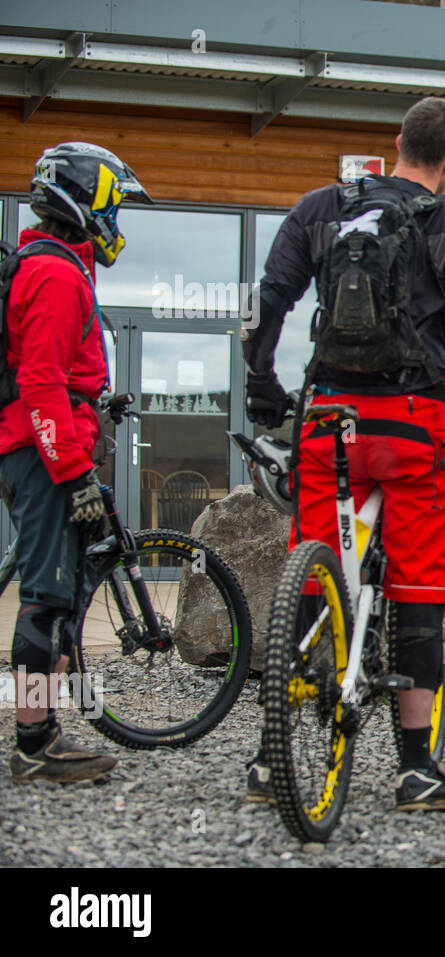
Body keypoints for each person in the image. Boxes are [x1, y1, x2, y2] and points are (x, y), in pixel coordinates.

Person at [242, 96, 445, 811]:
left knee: (312, 573)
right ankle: (416, 768)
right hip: (414, 428)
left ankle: (269, 756)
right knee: (418, 587)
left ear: (397, 143)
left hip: (327, 423)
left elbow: (268, 301)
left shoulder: (321, 207)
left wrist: (262, 382)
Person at [3, 142, 153, 782]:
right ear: (85, 203)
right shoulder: (58, 276)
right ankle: (34, 742)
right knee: (43, 597)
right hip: (40, 456)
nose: (117, 219)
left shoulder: (54, 265)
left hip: (41, 448)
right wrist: (73, 473)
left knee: (55, 593)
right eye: (113, 205)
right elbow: (39, 384)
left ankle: (44, 726)